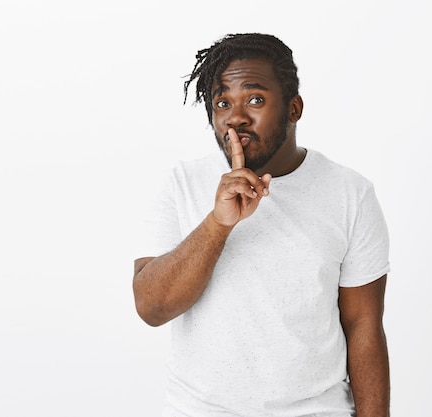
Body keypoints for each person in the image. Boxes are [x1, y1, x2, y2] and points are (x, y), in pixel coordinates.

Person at [132, 33, 390, 417]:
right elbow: (151, 308)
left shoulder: (350, 194)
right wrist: (219, 224)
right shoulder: (182, 183)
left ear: (294, 108)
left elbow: (363, 327)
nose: (236, 117)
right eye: (222, 103)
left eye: (255, 99)